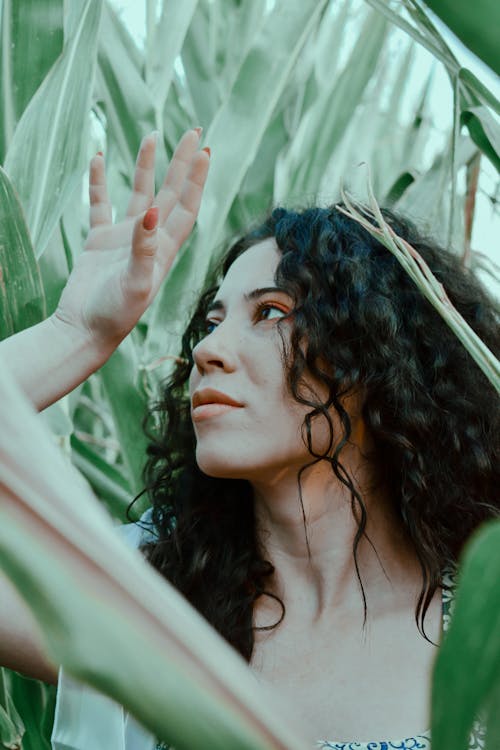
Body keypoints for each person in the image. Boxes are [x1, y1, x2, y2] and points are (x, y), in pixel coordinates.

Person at [0, 127, 498, 750]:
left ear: (378, 357)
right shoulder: (148, 610)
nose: (209, 349)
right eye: (212, 321)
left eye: (270, 313)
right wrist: (76, 332)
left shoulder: (486, 624)